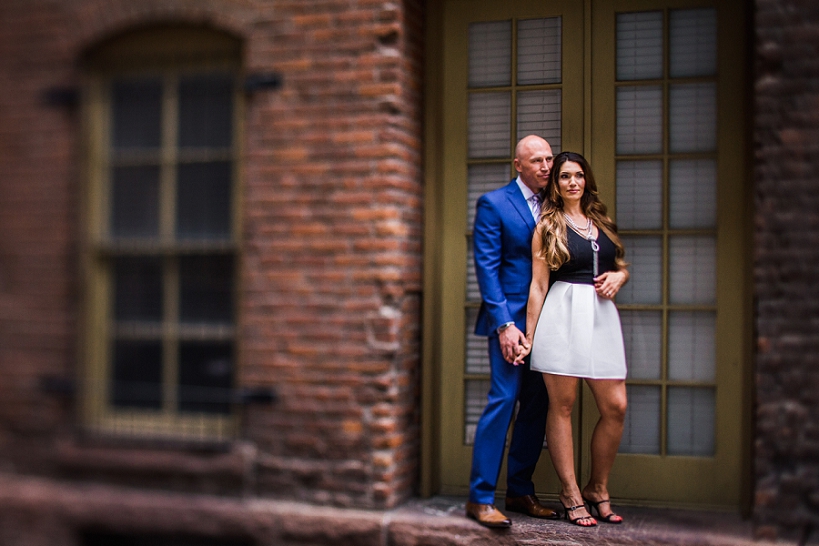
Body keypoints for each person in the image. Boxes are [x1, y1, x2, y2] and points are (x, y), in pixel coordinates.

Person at [515, 151, 629, 527]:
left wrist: (620, 278)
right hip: (562, 314)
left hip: (601, 318)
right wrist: (529, 336)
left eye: (578, 175)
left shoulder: (601, 220)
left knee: (615, 405)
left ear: (587, 180)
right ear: (556, 184)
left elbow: (620, 266)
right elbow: (538, 285)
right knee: (561, 407)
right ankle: (570, 492)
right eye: (564, 177)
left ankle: (597, 487)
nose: (573, 182)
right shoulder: (548, 225)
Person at [466, 135, 560, 528]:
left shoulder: (557, 204)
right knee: (503, 400)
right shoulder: (494, 203)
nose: (545, 166)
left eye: (549, 159)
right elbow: (487, 268)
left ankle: (520, 491)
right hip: (510, 323)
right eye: (536, 160)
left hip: (551, 321)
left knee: (537, 405)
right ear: (517, 165)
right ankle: (480, 497)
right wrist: (505, 325)